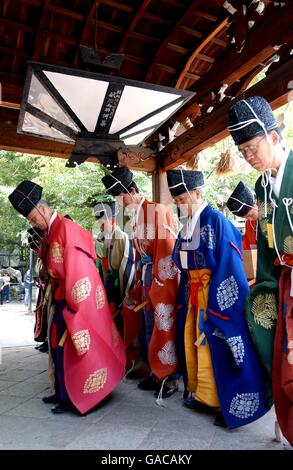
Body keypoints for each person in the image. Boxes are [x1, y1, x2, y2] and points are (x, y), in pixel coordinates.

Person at [8, 180, 126, 415]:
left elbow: (79, 271)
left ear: (42, 209)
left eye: (33, 218)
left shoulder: (66, 229)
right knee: (56, 346)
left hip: (73, 299)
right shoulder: (51, 230)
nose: (34, 223)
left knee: (69, 348)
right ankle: (61, 391)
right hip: (60, 295)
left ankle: (70, 396)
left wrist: (75, 308)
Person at [167, 168, 269, 429]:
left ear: (198, 193)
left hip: (216, 294)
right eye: (176, 201)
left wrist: (218, 301)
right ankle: (203, 395)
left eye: (182, 200)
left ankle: (227, 403)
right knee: (195, 343)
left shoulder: (217, 222)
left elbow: (229, 265)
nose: (179, 205)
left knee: (222, 346)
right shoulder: (187, 226)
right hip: (194, 295)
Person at [228, 95, 293, 445]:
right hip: (284, 286)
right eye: (243, 153)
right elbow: (268, 249)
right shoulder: (263, 187)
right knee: (283, 362)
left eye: (252, 147)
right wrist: (264, 289)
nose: (249, 157)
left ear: (273, 136)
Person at [102, 166, 179, 398]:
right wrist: (139, 282)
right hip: (145, 276)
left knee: (162, 325)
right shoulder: (135, 216)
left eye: (121, 196)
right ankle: (152, 371)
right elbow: (137, 255)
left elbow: (166, 247)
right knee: (146, 325)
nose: (120, 201)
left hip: (160, 277)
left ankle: (169, 378)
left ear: (133, 191)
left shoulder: (156, 210)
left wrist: (159, 281)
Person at [93, 200, 135, 335]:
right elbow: (105, 267)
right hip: (110, 286)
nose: (100, 226)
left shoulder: (123, 237)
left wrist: (125, 294)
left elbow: (128, 266)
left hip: (122, 286)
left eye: (102, 222)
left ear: (112, 220)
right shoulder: (105, 240)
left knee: (121, 325)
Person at [226, 181, 258, 249]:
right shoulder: (249, 224)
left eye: (251, 215)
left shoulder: (271, 218)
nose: (250, 219)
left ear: (256, 203)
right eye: (246, 218)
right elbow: (246, 247)